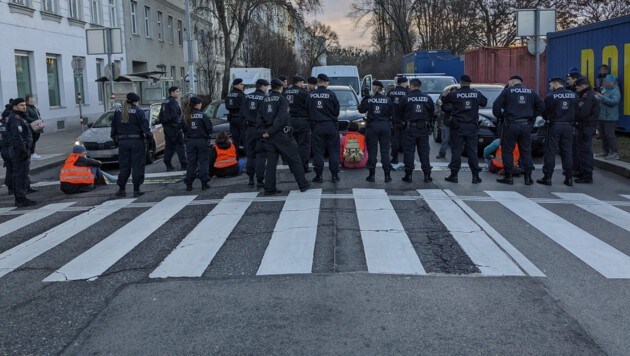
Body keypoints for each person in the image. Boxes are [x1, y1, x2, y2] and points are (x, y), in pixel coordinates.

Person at [258, 79, 310, 195]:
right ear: (281, 87)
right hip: (281, 134)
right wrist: (271, 131)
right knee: (295, 159)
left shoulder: (265, 100)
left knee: (271, 163)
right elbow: (281, 118)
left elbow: (259, 118)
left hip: (268, 135)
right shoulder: (282, 100)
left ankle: (269, 188)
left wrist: (263, 132)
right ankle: (303, 184)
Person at [492, 75, 545, 185]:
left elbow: (496, 106)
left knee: (507, 151)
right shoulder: (531, 91)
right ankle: (528, 178)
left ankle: (508, 177)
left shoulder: (507, 91)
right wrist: (532, 117)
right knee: (526, 151)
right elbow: (541, 106)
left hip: (511, 124)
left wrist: (502, 117)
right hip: (525, 125)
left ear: (511, 82)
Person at [442, 75, 487, 184]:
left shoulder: (455, 94)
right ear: (470, 83)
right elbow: (484, 103)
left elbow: (444, 100)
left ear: (461, 83)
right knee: (472, 151)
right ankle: (475, 176)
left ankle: (454, 175)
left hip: (458, 126)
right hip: (472, 126)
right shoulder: (476, 93)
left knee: (456, 151)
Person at [537, 77, 579, 186]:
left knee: (550, 151)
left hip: (554, 126)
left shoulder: (551, 96)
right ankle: (569, 178)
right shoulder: (574, 95)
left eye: (550, 85)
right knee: (567, 152)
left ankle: (547, 177)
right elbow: (577, 111)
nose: (550, 87)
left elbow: (545, 113)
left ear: (556, 84)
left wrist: (548, 118)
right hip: (569, 126)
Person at [110, 92, 153, 197]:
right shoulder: (138, 111)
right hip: (136, 142)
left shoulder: (118, 111)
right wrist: (149, 139)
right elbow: (145, 128)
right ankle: (136, 190)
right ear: (136, 101)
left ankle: (121, 189)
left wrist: (116, 140)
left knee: (124, 166)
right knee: (137, 166)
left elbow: (113, 128)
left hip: (123, 142)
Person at [399, 78, 435, 183]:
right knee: (424, 152)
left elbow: (400, 113)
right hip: (423, 127)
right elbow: (432, 112)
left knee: (409, 152)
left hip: (410, 128)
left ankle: (408, 175)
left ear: (411, 86)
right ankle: (427, 175)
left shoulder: (406, 98)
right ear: (420, 86)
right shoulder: (427, 98)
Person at [308, 73, 341, 183]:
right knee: (333, 152)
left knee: (318, 152)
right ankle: (335, 176)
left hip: (317, 126)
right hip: (330, 125)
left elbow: (307, 110)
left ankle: (319, 176)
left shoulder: (311, 95)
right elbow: (337, 111)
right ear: (326, 82)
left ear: (318, 82)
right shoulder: (331, 94)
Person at [359, 80, 394, 182]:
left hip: (372, 126)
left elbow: (361, 110)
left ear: (373, 88)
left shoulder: (369, 99)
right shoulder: (387, 99)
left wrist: (365, 98)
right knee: (385, 152)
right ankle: (387, 176)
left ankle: (371, 175)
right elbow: (392, 112)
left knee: (372, 152)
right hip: (385, 126)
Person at [6, 98, 36, 207]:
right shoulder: (14, 118)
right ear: (15, 106)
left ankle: (22, 197)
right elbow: (16, 136)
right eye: (21, 105)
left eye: (24, 105)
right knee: (20, 175)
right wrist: (23, 150)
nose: (24, 107)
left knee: (22, 174)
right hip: (19, 151)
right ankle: (20, 199)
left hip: (22, 150)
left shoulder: (21, 117)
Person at [241, 79, 268, 187]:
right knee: (261, 154)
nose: (267, 88)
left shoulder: (246, 97)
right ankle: (260, 180)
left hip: (249, 129)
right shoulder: (265, 98)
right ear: (261, 86)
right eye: (266, 86)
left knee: (250, 154)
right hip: (260, 128)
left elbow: (241, 113)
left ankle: (251, 179)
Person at [573, 77, 600, 184]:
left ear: (583, 86)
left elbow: (583, 112)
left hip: (586, 126)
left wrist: (573, 116)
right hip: (587, 126)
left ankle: (587, 175)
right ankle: (583, 172)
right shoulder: (589, 94)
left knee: (585, 151)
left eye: (577, 86)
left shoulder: (587, 96)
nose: (576, 88)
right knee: (583, 150)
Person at [182, 96, 213, 191]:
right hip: (202, 141)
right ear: (197, 104)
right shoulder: (202, 115)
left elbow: (183, 129)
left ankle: (189, 184)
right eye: (200, 103)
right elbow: (209, 129)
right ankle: (204, 183)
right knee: (203, 162)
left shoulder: (186, 116)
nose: (201, 105)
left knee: (191, 163)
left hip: (190, 142)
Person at [284, 75, 311, 173]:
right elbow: (309, 106)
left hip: (289, 121)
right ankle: (303, 167)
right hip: (302, 121)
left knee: (291, 145)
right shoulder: (303, 93)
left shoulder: (285, 92)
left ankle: (293, 167)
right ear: (299, 82)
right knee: (303, 145)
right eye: (302, 83)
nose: (303, 84)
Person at [160, 86, 187, 171]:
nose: (178, 93)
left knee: (169, 146)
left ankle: (168, 164)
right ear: (172, 92)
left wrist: (164, 123)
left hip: (167, 127)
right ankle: (183, 164)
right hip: (174, 127)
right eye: (177, 91)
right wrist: (179, 123)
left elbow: (161, 115)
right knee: (180, 146)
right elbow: (175, 115)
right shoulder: (172, 102)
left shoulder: (165, 101)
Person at [595, 74, 621, 160]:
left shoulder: (615, 91)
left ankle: (614, 153)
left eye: (606, 82)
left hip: (610, 117)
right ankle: (605, 151)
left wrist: (602, 98)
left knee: (610, 135)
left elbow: (614, 102)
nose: (604, 83)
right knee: (603, 135)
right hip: (601, 116)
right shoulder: (603, 89)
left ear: (612, 83)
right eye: (604, 81)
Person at [388, 76, 410, 164]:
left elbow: (387, 105)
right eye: (406, 82)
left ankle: (395, 157)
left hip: (393, 119)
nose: (406, 84)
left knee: (394, 138)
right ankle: (406, 157)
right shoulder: (407, 92)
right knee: (405, 138)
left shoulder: (391, 92)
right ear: (403, 83)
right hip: (405, 118)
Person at [436, 86, 458, 160]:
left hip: (455, 123)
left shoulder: (459, 101)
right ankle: (442, 153)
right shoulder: (447, 101)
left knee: (455, 140)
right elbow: (445, 108)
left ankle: (455, 155)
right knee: (445, 139)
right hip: (448, 122)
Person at [225, 78, 245, 148]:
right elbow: (245, 107)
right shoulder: (241, 95)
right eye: (241, 84)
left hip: (232, 118)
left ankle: (235, 155)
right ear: (236, 85)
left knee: (235, 140)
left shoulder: (228, 95)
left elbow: (227, 107)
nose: (243, 85)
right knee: (244, 138)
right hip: (240, 118)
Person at [24, 95, 43, 160]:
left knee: (35, 140)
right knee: (32, 140)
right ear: (27, 101)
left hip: (37, 126)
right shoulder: (27, 108)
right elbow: (26, 117)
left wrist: (40, 120)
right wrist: (35, 120)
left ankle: (32, 153)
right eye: (31, 100)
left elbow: (37, 115)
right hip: (32, 127)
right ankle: (31, 153)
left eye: (33, 99)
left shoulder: (33, 107)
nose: (33, 100)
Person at [1, 103, 14, 195]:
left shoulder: (1, 126)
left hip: (4, 150)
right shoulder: (9, 126)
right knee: (13, 169)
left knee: (9, 169)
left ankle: (10, 187)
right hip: (10, 149)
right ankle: (12, 187)